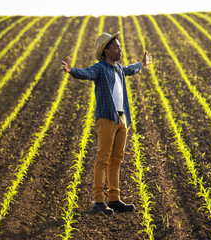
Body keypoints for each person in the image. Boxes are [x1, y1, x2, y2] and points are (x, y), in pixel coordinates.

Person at [62, 31, 152, 215]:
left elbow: (130, 69)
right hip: (106, 118)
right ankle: (98, 201)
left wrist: (141, 65)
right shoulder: (100, 68)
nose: (120, 49)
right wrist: (72, 71)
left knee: (117, 159)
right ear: (106, 50)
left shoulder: (118, 68)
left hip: (121, 118)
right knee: (103, 159)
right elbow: (87, 73)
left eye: (119, 46)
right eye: (116, 47)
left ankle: (114, 198)